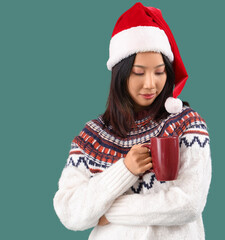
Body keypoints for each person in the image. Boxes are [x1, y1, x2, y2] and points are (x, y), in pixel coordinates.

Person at [53, 2, 212, 240]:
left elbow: (188, 203)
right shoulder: (91, 137)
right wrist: (125, 169)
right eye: (139, 72)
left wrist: (108, 212)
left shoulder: (186, 124)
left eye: (159, 72)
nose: (150, 84)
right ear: (121, 73)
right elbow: (69, 212)